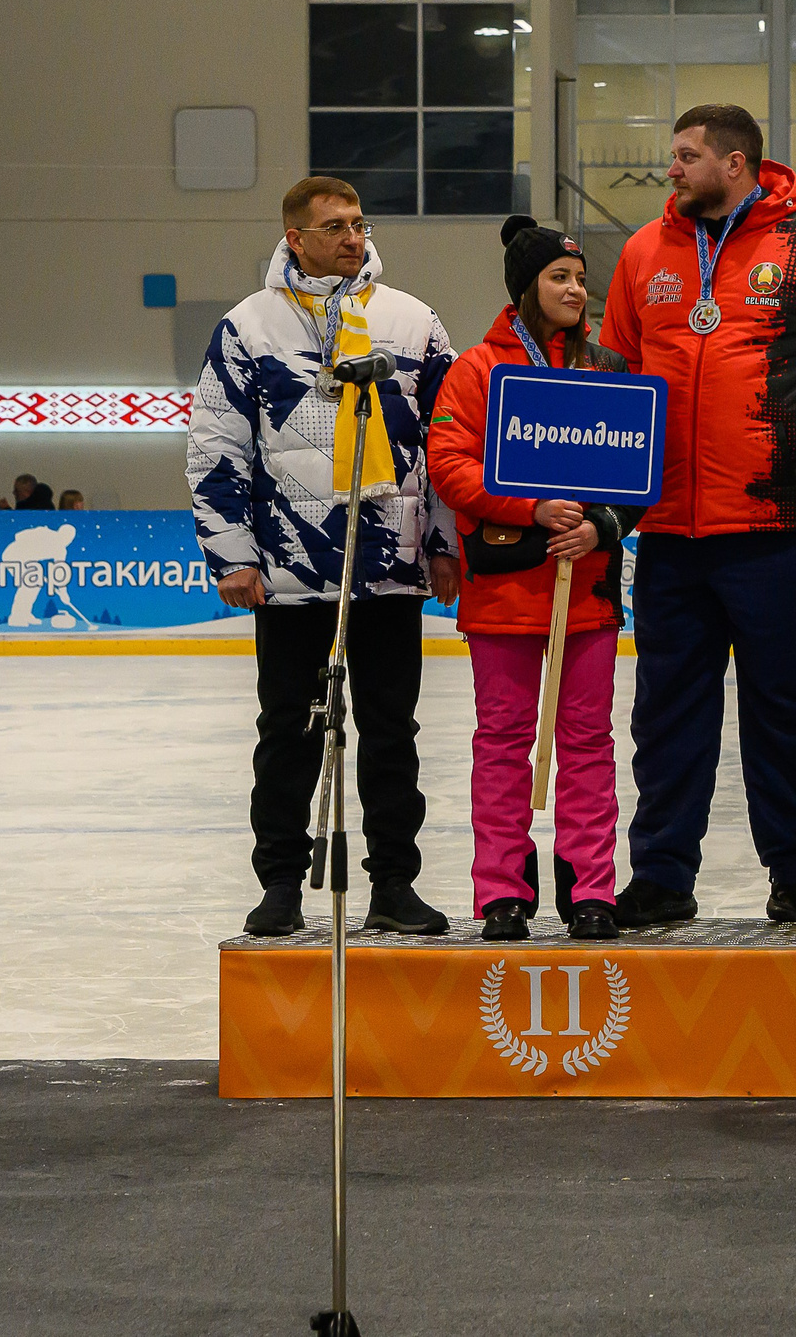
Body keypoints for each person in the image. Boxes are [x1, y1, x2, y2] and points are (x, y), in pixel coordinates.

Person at [598, 103, 796, 931]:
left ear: (735, 163)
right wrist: (609, 509)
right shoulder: (642, 252)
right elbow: (613, 381)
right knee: (665, 716)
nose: (672, 169)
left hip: (774, 527)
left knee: (785, 711)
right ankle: (660, 874)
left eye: (686, 156)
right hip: (669, 535)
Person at [187, 175, 461, 938]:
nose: (353, 236)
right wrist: (232, 554)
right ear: (296, 238)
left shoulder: (413, 321)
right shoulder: (248, 327)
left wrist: (443, 543)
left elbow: (449, 440)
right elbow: (216, 445)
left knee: (392, 731)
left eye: (360, 223)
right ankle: (280, 883)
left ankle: (394, 883)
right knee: (288, 731)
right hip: (291, 573)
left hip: (389, 568)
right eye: (335, 225)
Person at [428, 218, 647, 942]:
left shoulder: (607, 368)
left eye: (580, 278)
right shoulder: (476, 369)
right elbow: (448, 465)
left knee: (587, 742)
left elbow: (638, 473)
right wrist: (532, 507)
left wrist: (600, 527)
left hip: (587, 591)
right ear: (526, 287)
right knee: (502, 740)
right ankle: (502, 890)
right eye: (559, 277)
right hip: (503, 594)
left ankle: (591, 890)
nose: (576, 290)